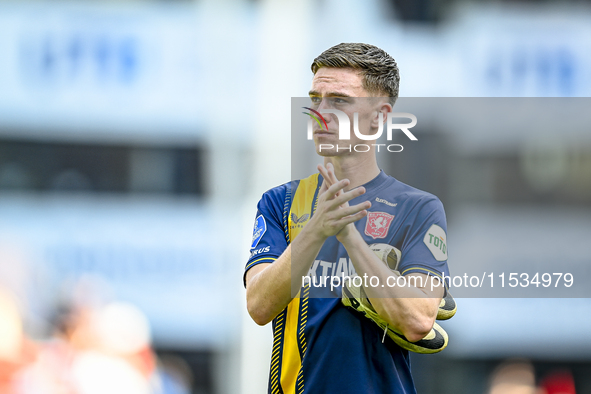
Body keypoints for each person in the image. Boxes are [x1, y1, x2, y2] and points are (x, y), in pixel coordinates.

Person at [244, 43, 450, 394]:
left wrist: (351, 241)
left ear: (379, 117)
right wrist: (316, 229)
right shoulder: (280, 202)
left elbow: (418, 320)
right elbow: (259, 306)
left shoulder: (418, 208)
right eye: (316, 98)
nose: (320, 111)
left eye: (339, 100)